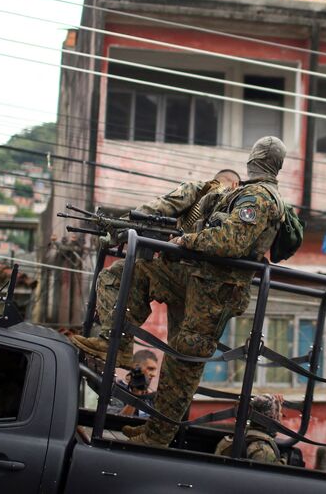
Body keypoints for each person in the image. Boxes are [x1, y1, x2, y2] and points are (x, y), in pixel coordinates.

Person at [73, 137, 286, 448]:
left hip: (214, 295)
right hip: (196, 279)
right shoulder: (246, 193)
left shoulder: (259, 196)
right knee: (126, 274)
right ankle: (115, 343)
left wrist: (187, 241)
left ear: (256, 159)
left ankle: (156, 438)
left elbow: (232, 241)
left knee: (181, 365)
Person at [70, 167, 241, 367]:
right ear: (237, 184)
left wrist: (116, 229)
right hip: (212, 293)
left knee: (114, 276)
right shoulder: (241, 206)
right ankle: (124, 349)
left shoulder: (203, 189)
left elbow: (156, 208)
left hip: (183, 276)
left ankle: (115, 343)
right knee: (181, 355)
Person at [214, 394, 285, 464]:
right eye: (279, 414)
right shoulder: (263, 451)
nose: (281, 417)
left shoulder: (226, 442)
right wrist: (284, 460)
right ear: (272, 418)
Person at [108, 349, 159, 417]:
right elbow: (116, 421)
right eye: (150, 369)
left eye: (155, 370)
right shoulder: (117, 390)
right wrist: (136, 396)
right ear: (136, 367)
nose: (154, 374)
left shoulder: (149, 396)